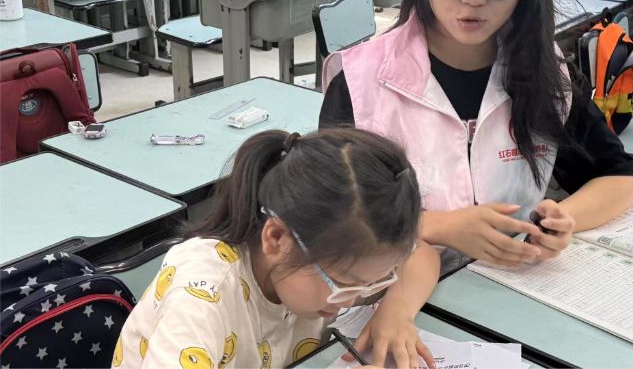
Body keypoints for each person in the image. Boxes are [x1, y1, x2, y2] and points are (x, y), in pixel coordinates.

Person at [320, 0, 633, 333]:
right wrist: (438, 226)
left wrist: (561, 221)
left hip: (505, 301)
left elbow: (617, 178)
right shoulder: (361, 82)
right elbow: (333, 215)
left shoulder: (545, 73)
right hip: (389, 308)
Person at [112, 128, 439, 369]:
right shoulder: (202, 297)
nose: (350, 301)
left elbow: (421, 255)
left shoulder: (321, 259)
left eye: (370, 284)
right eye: (343, 284)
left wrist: (395, 312)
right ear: (277, 238)